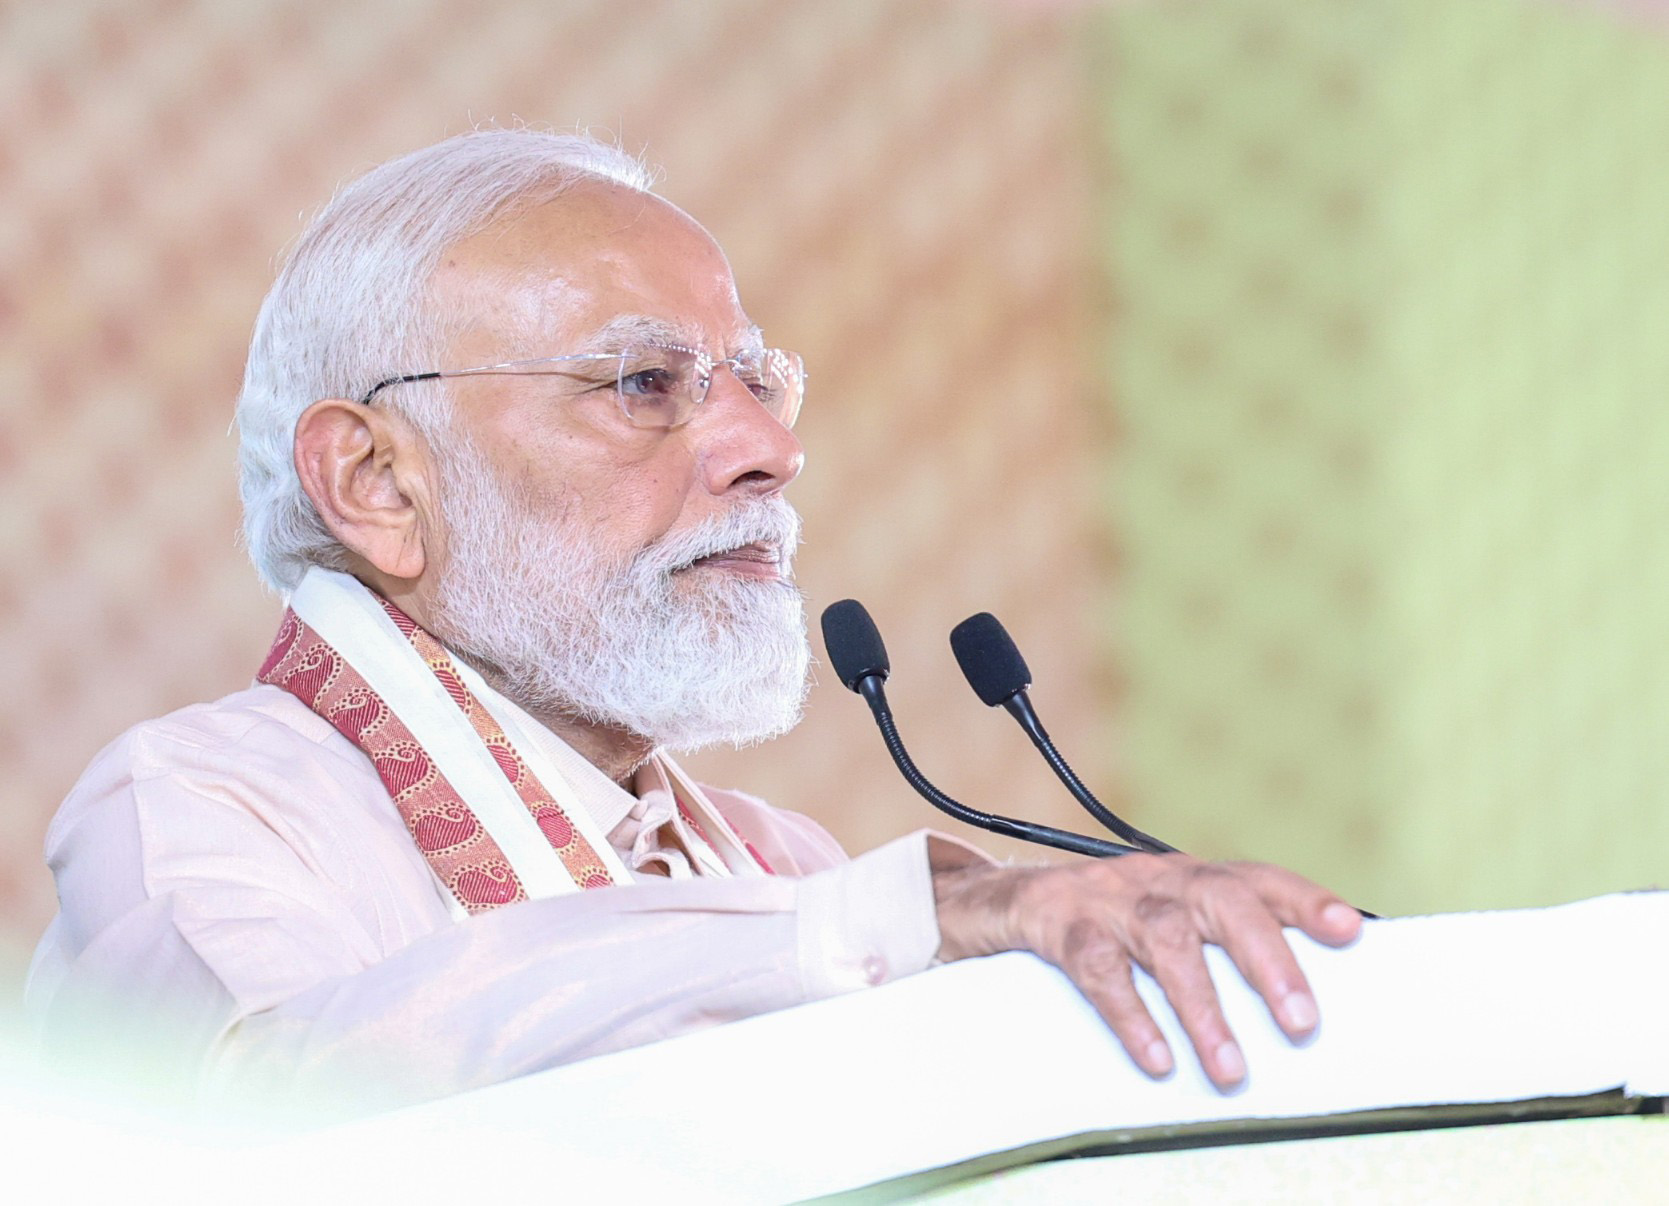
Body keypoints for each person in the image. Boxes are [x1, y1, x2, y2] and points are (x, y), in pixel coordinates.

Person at [27, 129, 1361, 1110]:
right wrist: (876, 928)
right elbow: (257, 1103)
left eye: (754, 379)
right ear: (378, 482)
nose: (767, 448)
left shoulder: (774, 858)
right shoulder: (199, 806)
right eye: (643, 383)